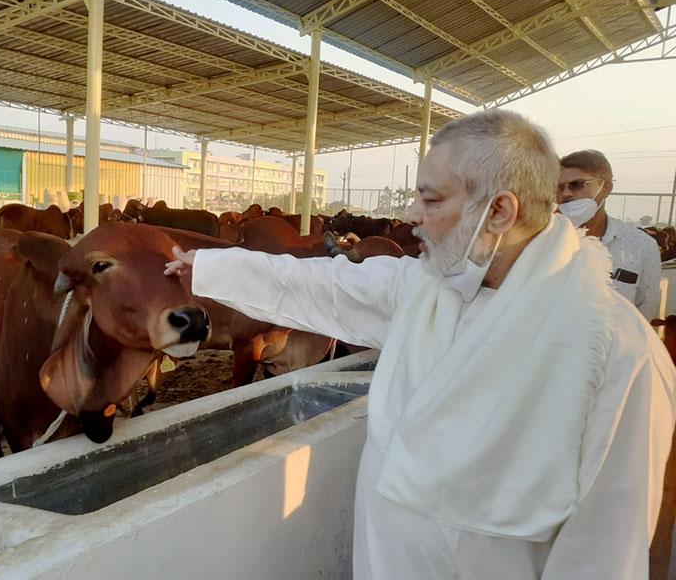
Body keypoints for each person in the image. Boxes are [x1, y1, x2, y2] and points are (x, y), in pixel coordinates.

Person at [165, 110, 676, 579]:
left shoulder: (613, 351)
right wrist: (211, 265)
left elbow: (604, 549)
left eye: (431, 199)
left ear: (498, 211)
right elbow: (325, 285)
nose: (412, 214)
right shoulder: (430, 287)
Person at [558, 149, 662, 320]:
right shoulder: (545, 243)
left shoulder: (642, 247)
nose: (566, 194)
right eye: (560, 187)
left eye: (577, 184)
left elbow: (645, 314)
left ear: (606, 187)